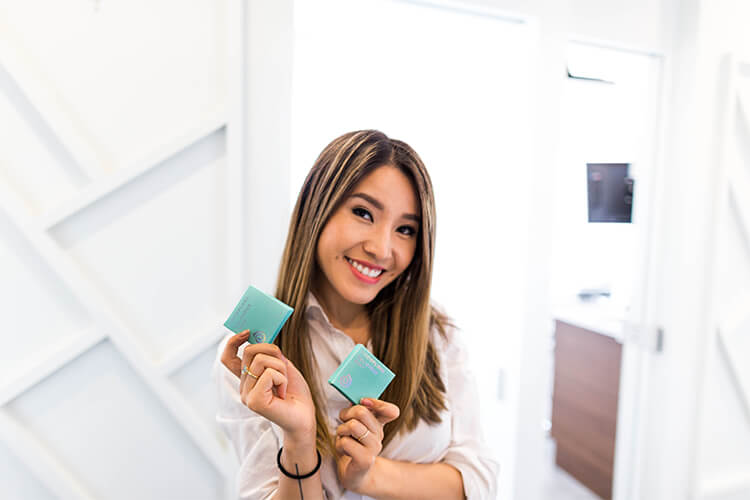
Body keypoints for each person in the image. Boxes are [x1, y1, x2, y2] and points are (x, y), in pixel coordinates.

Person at [213, 130, 498, 499]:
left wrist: (368, 477)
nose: (382, 248)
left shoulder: (436, 334)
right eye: (363, 213)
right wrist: (299, 438)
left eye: (405, 230)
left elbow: (478, 482)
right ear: (317, 209)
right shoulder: (254, 356)